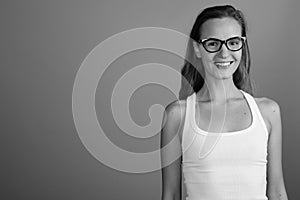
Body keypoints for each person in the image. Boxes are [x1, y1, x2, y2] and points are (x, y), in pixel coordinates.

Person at [160, 5, 288, 200]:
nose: (224, 53)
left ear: (242, 46)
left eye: (233, 42)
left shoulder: (268, 112)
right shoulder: (177, 115)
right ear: (197, 49)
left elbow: (277, 192)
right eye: (213, 44)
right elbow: (171, 194)